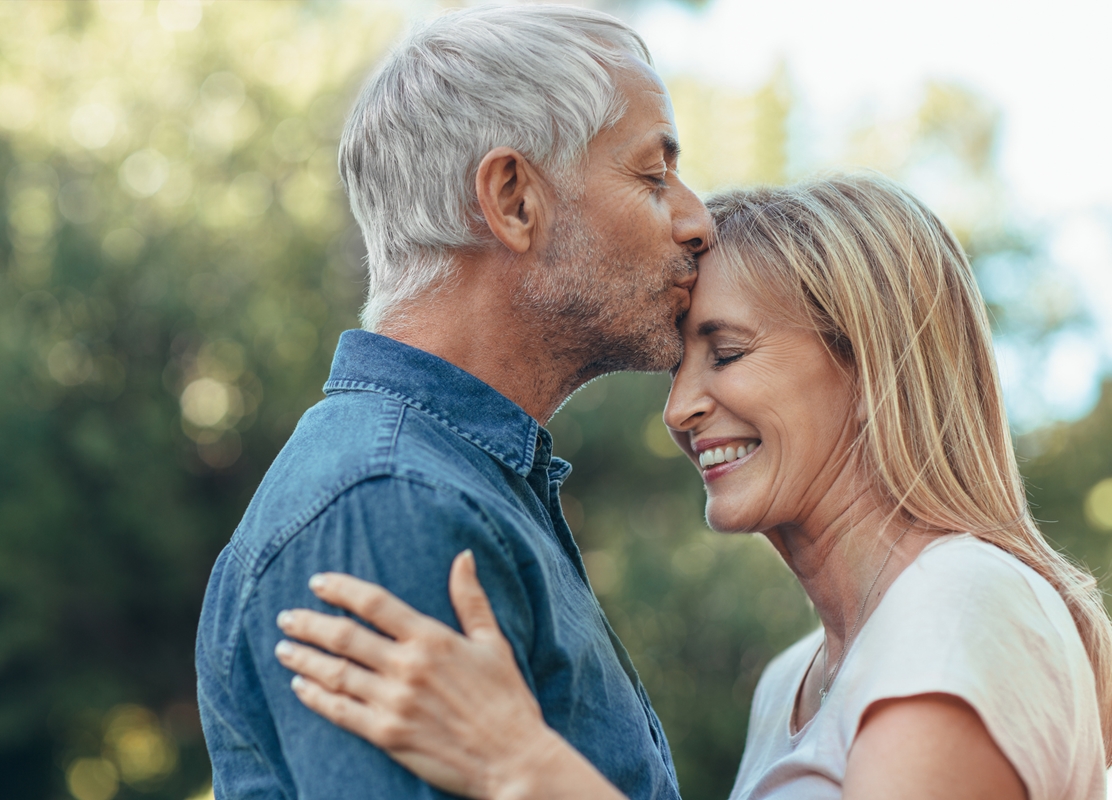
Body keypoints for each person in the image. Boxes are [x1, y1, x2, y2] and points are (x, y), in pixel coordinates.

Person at [272, 174, 1112, 800]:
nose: (679, 408)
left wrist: (520, 763)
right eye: (681, 366)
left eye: (730, 353)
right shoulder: (790, 684)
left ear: (870, 367)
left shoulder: (960, 600)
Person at [194, 5, 710, 799]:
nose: (696, 219)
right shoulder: (393, 503)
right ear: (512, 199)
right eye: (652, 174)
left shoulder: (459, 486)